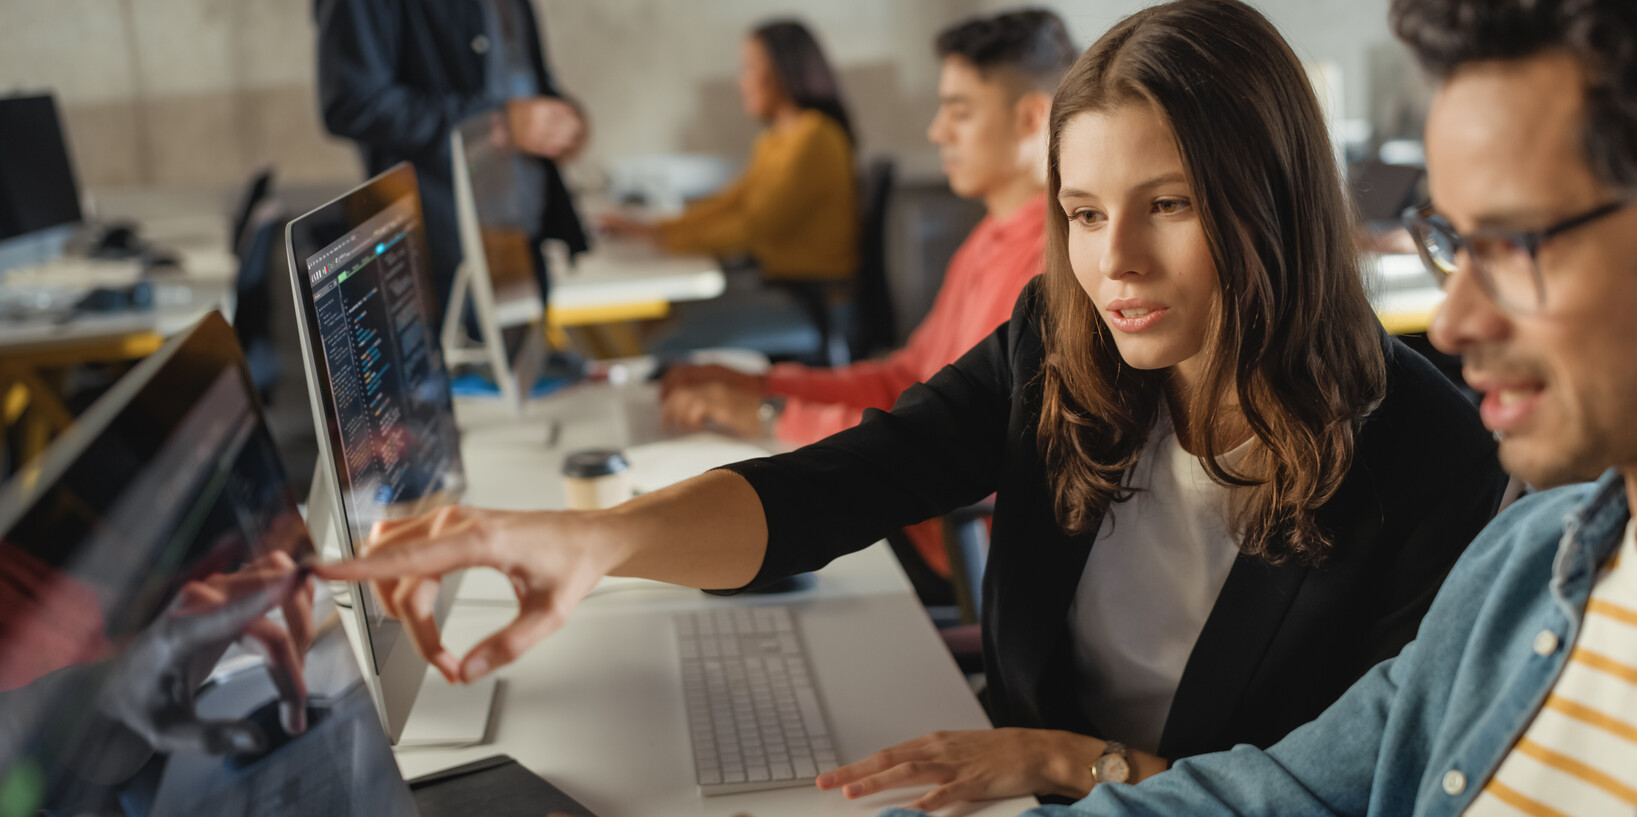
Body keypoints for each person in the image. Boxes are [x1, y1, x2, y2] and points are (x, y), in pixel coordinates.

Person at [317, 0, 1506, 809]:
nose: (1117, 265)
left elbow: (1368, 792)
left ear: (1274, 203)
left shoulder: (1427, 456)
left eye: (1172, 205)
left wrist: (1069, 762)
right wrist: (595, 542)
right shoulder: (1066, 341)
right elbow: (853, 478)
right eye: (1084, 215)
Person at [920, 0, 1637, 814]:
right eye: (1455, 240)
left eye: (1521, 243)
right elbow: (1280, 794)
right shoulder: (1532, 562)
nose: (1457, 317)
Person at [657, 9, 1077, 587]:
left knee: (712, 546)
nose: (936, 132)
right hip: (913, 507)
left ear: (1031, 118)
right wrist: (761, 385)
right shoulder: (989, 236)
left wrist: (768, 412)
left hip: (947, 543)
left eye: (959, 111)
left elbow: (951, 451)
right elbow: (907, 380)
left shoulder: (1046, 272)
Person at [314, 0, 591, 324]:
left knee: (526, 366)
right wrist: (496, 124)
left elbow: (516, 74)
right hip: (442, 256)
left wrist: (561, 123)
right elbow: (352, 103)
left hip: (520, 240)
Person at [603, 20, 859, 285]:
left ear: (783, 70)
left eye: (749, 68)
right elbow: (729, 203)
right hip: (778, 281)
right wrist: (653, 229)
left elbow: (755, 227)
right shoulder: (774, 140)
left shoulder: (814, 137)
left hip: (810, 292)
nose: (742, 83)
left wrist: (666, 239)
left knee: (674, 318)